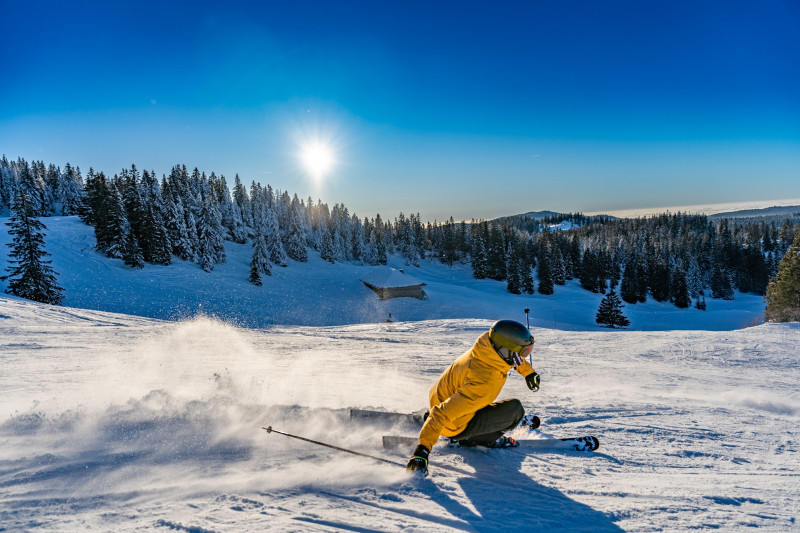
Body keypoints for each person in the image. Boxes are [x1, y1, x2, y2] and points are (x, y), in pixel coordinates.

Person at [406, 319, 540, 475]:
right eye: (522, 353)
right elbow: (440, 414)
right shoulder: (483, 382)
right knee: (515, 410)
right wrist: (421, 451)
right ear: (505, 351)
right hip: (454, 424)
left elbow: (512, 358)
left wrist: (528, 373)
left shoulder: (486, 349)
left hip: (441, 397)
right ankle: (479, 438)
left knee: (472, 401)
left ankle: (451, 420)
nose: (523, 357)